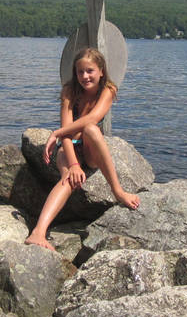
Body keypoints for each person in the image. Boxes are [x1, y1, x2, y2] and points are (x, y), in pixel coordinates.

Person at [25, 48, 140, 251]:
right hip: (68, 149)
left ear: (101, 71)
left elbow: (92, 119)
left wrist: (57, 132)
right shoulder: (69, 92)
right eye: (80, 72)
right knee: (68, 177)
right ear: (74, 73)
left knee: (91, 129)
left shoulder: (108, 90)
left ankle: (118, 191)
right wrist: (74, 164)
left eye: (90, 71)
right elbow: (67, 138)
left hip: (90, 149)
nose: (85, 76)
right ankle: (39, 232)